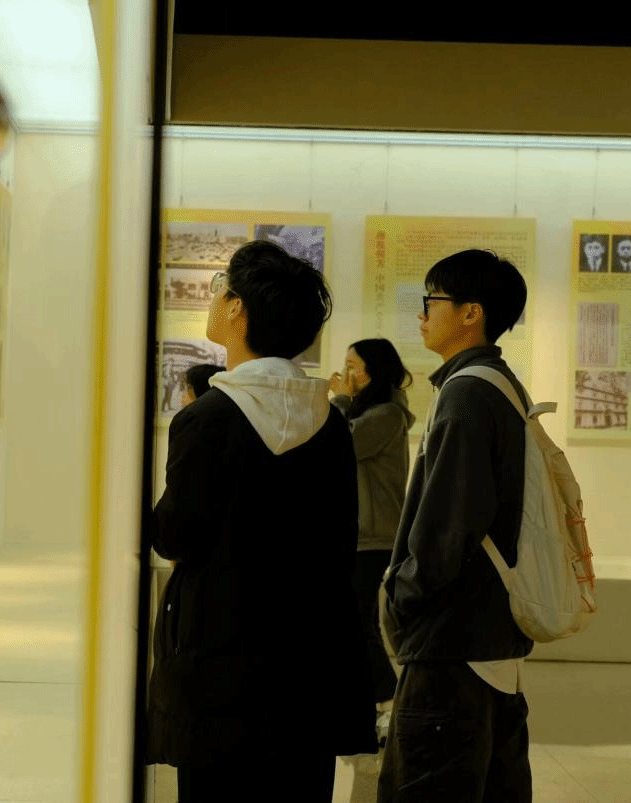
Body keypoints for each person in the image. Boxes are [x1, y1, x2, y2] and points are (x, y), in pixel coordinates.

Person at [147, 240, 377, 802]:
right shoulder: (329, 423)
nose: (215, 298)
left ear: (237, 309)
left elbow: (175, 535)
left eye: (220, 288)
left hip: (220, 663)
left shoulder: (206, 419)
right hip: (309, 664)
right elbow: (339, 540)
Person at [378, 249, 533, 803]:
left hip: (451, 645)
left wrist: (402, 596)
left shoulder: (467, 393)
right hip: (487, 640)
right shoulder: (499, 385)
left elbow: (449, 524)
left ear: (471, 312)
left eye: (432, 300)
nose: (422, 314)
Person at [327, 339, 414, 743]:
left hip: (373, 536)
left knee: (359, 622)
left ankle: (389, 700)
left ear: (374, 370)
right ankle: (369, 705)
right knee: (354, 620)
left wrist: (340, 402)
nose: (346, 374)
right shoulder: (374, 412)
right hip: (359, 534)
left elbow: (340, 446)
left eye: (354, 366)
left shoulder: (387, 415)